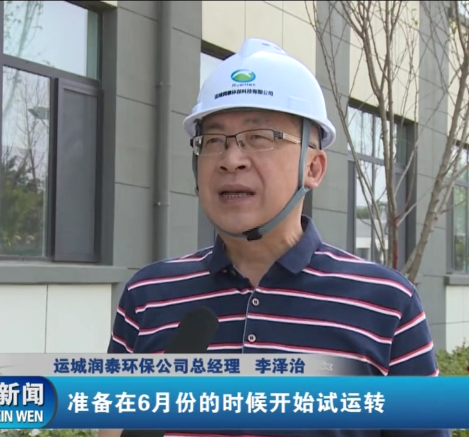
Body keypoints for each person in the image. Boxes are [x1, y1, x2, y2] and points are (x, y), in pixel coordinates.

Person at [100, 38, 450, 437]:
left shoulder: (387, 303)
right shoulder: (148, 295)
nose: (231, 160)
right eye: (213, 141)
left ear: (313, 168)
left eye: (260, 137)